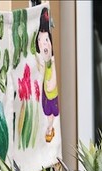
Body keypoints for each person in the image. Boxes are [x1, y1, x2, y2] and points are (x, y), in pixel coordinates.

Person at [37, 7, 59, 143]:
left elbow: (52, 83)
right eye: (40, 40)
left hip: (50, 92)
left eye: (46, 40)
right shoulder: (46, 62)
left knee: (50, 111)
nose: (43, 44)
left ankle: (50, 128)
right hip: (47, 91)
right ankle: (50, 128)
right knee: (47, 112)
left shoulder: (52, 61)